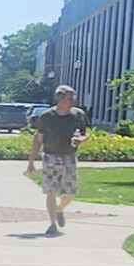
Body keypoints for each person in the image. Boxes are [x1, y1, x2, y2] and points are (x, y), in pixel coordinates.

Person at [25, 84, 89, 236]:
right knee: (51, 191)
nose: (72, 100)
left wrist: (81, 139)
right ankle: (52, 224)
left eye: (73, 98)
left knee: (70, 192)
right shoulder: (47, 116)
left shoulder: (78, 114)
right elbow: (38, 138)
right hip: (50, 156)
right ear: (60, 99)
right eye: (69, 98)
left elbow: (85, 133)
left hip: (69, 156)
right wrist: (31, 161)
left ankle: (59, 210)